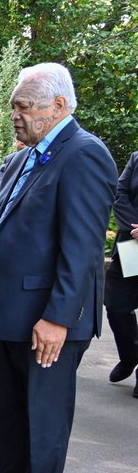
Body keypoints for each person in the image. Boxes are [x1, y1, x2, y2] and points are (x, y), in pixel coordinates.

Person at [0, 63, 116, 473]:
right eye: (14, 107)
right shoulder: (27, 156)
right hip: (6, 311)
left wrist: (58, 318)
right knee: (6, 407)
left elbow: (83, 249)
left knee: (42, 413)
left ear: (59, 106)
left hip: (48, 320)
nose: (16, 116)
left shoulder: (84, 154)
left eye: (25, 107)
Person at [104, 150, 138, 397]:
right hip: (132, 244)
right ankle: (130, 355)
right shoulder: (136, 157)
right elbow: (120, 192)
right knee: (116, 306)